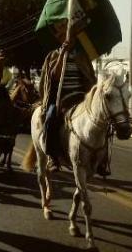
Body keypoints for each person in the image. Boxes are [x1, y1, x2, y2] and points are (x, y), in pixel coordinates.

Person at [39, 39, 97, 173]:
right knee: (50, 118)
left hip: (82, 98)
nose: (69, 40)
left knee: (101, 120)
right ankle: (53, 157)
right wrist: (62, 55)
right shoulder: (54, 55)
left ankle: (102, 159)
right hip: (62, 99)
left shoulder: (82, 56)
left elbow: (90, 77)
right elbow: (53, 76)